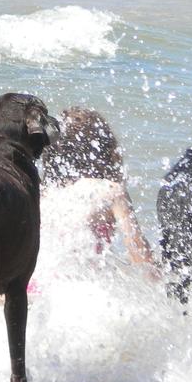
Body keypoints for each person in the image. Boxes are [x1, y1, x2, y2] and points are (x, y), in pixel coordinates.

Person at [36, 107, 154, 281]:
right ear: (105, 148)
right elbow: (138, 252)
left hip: (31, 288)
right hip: (79, 289)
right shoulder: (110, 191)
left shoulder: (42, 193)